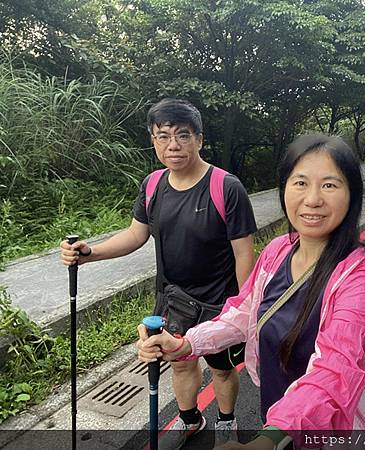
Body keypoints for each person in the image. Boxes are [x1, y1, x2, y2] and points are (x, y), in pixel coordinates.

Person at [137, 133, 365, 450]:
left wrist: (267, 441)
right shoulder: (278, 251)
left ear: (352, 194)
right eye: (300, 183)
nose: (312, 199)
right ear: (284, 188)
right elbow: (243, 312)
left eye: (329, 184)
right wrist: (185, 344)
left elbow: (336, 371)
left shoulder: (361, 279)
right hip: (276, 416)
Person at [60, 98, 257, 449]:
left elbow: (244, 253)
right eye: (162, 136)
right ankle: (190, 420)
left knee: (223, 369)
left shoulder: (226, 187)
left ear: (199, 138)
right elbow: (136, 234)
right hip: (174, 299)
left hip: (220, 301)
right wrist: (90, 254)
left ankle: (226, 421)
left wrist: (246, 309)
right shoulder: (152, 186)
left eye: (183, 135)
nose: (173, 145)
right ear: (153, 141)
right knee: (180, 363)